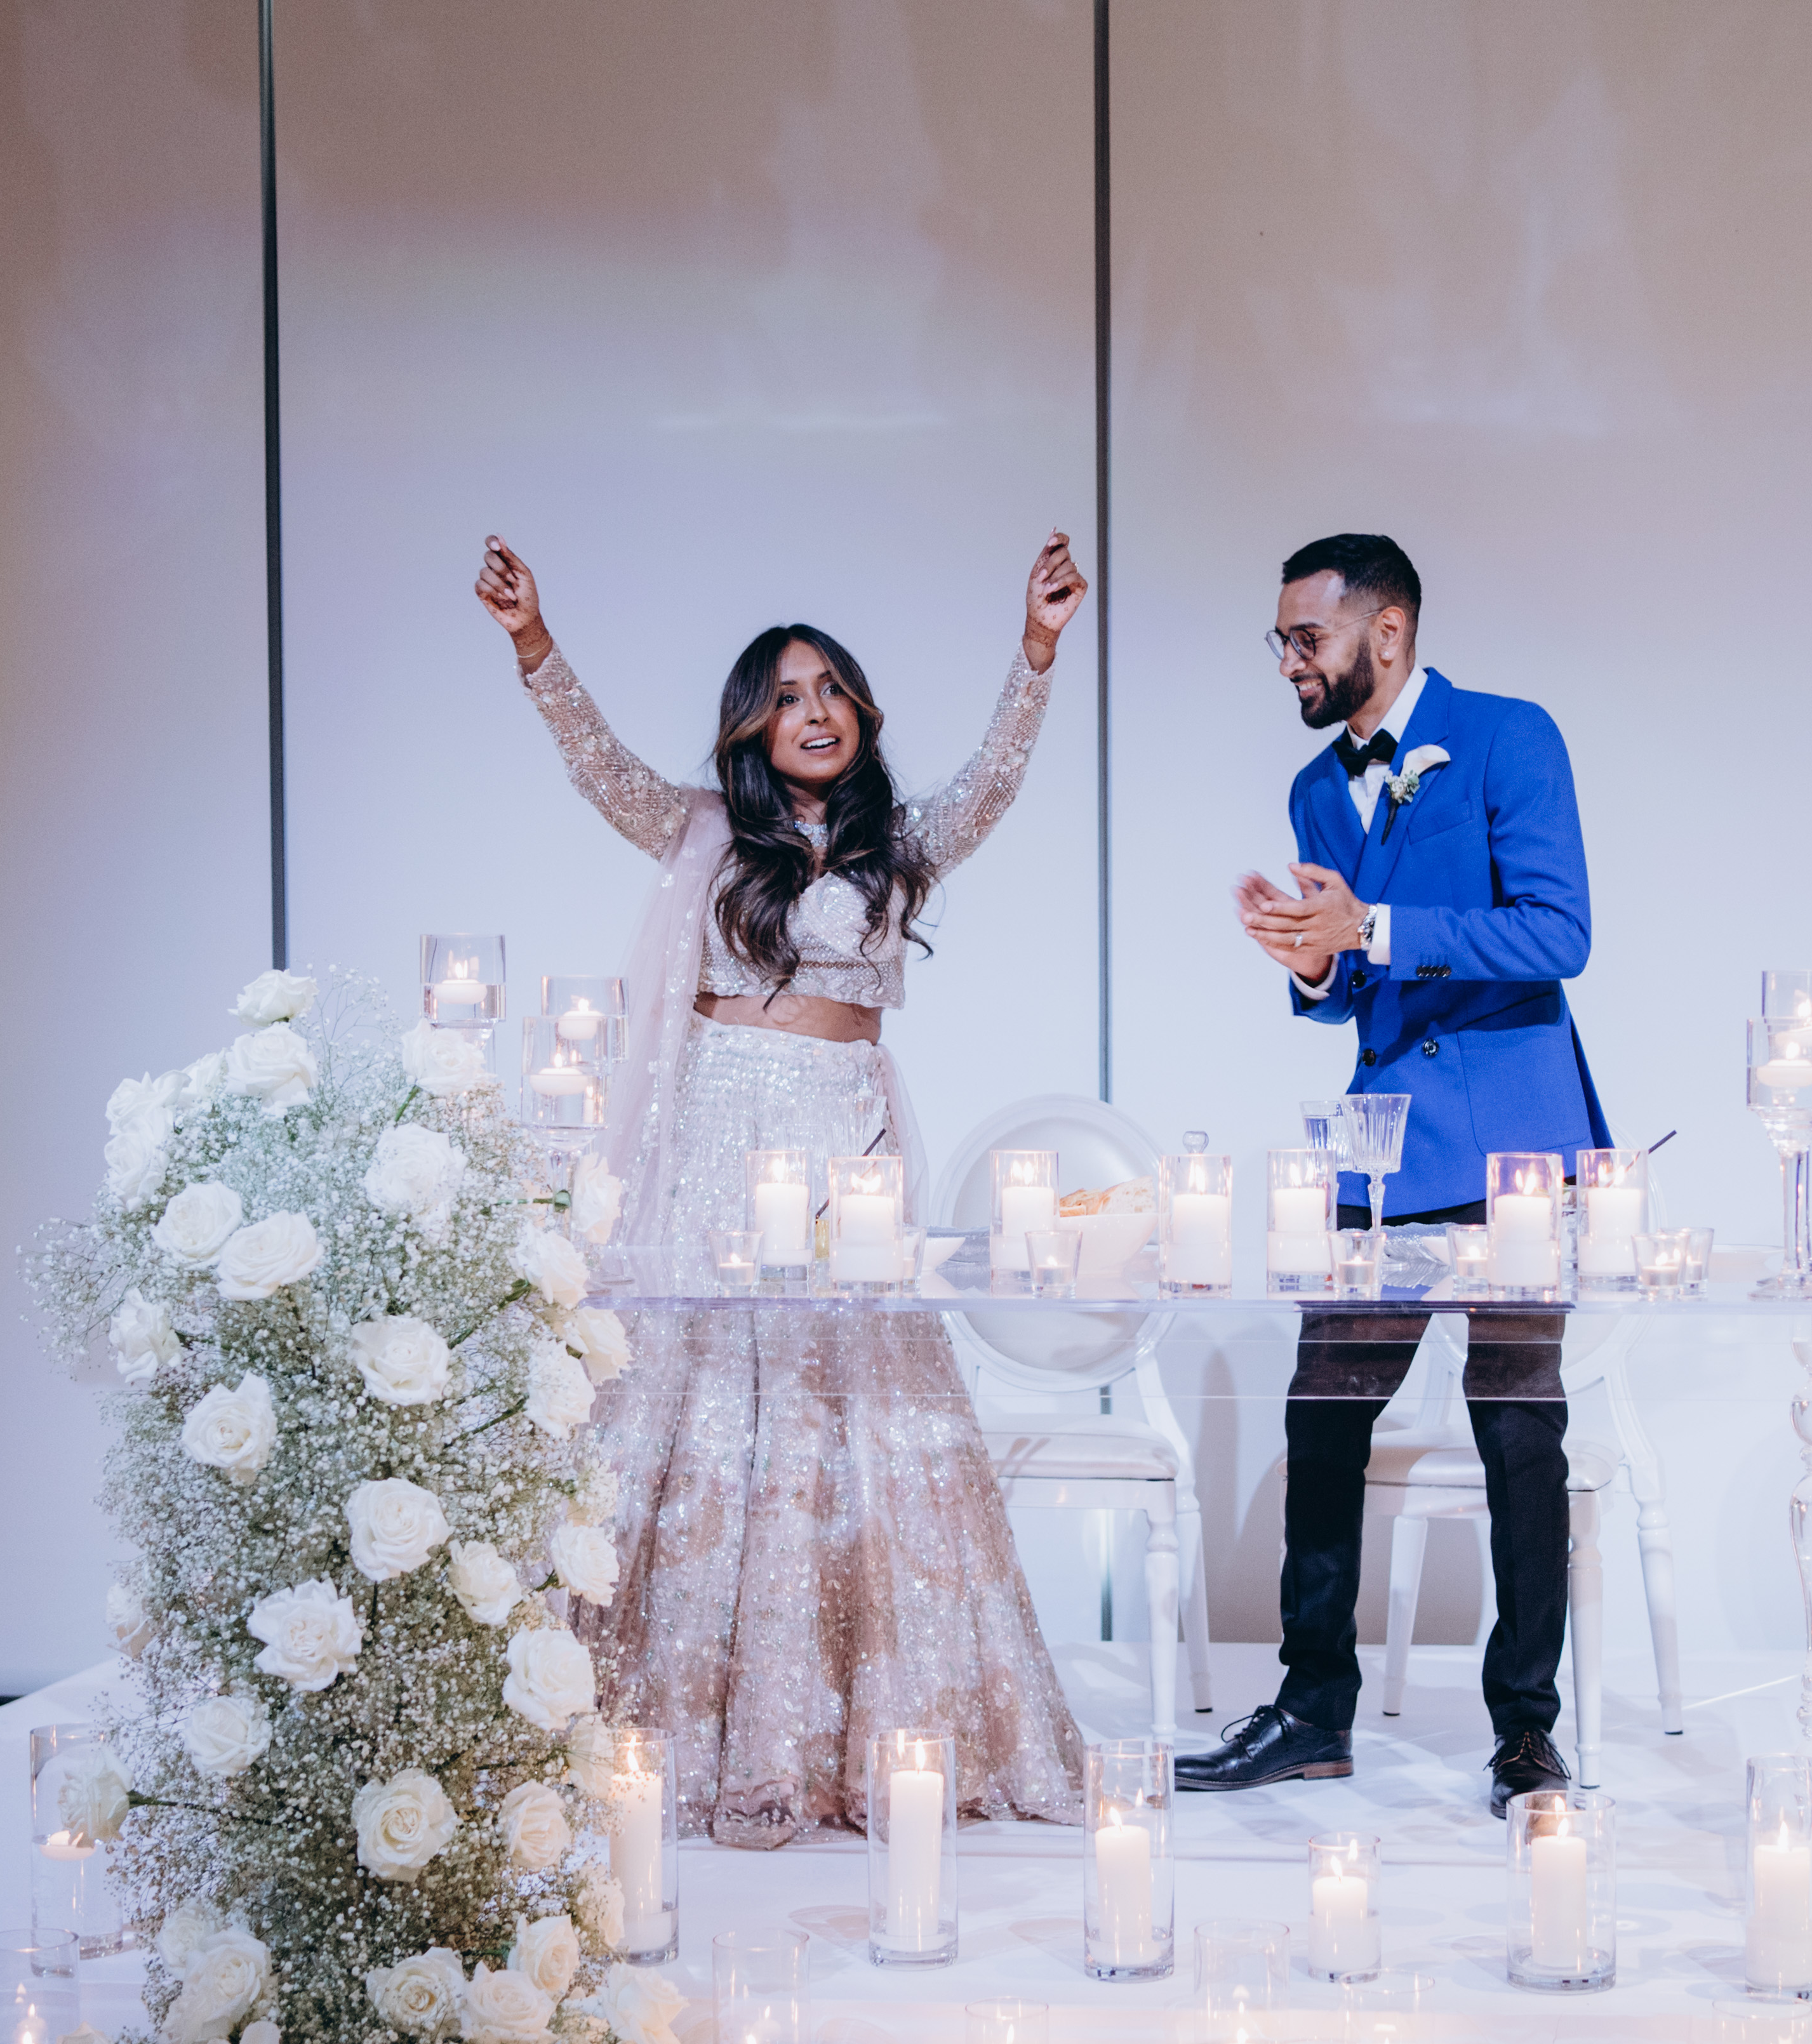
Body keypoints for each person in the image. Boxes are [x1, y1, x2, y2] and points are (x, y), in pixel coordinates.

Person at [476, 528, 1094, 1845]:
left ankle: (851, 1734)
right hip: (718, 1129)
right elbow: (598, 765)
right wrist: (535, 643)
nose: (815, 712)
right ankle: (676, 1730)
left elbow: (995, 780)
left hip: (844, 1131)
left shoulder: (900, 844)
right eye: (787, 696)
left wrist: (1036, 655)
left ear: (861, 711)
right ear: (752, 727)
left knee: (849, 1401)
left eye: (832, 691)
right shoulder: (703, 831)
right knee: (701, 1399)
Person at [1179, 533, 1611, 1818]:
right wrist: (1312, 962)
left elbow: (1559, 932)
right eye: (1279, 641)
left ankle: (1525, 1733)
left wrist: (1367, 925)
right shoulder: (1319, 789)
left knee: (1518, 1430)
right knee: (1322, 1413)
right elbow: (1353, 994)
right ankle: (1313, 1711)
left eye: (1305, 638)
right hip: (1380, 1150)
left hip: (1515, 1146)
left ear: (1389, 630)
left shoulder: (1510, 737)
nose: (1288, 663)